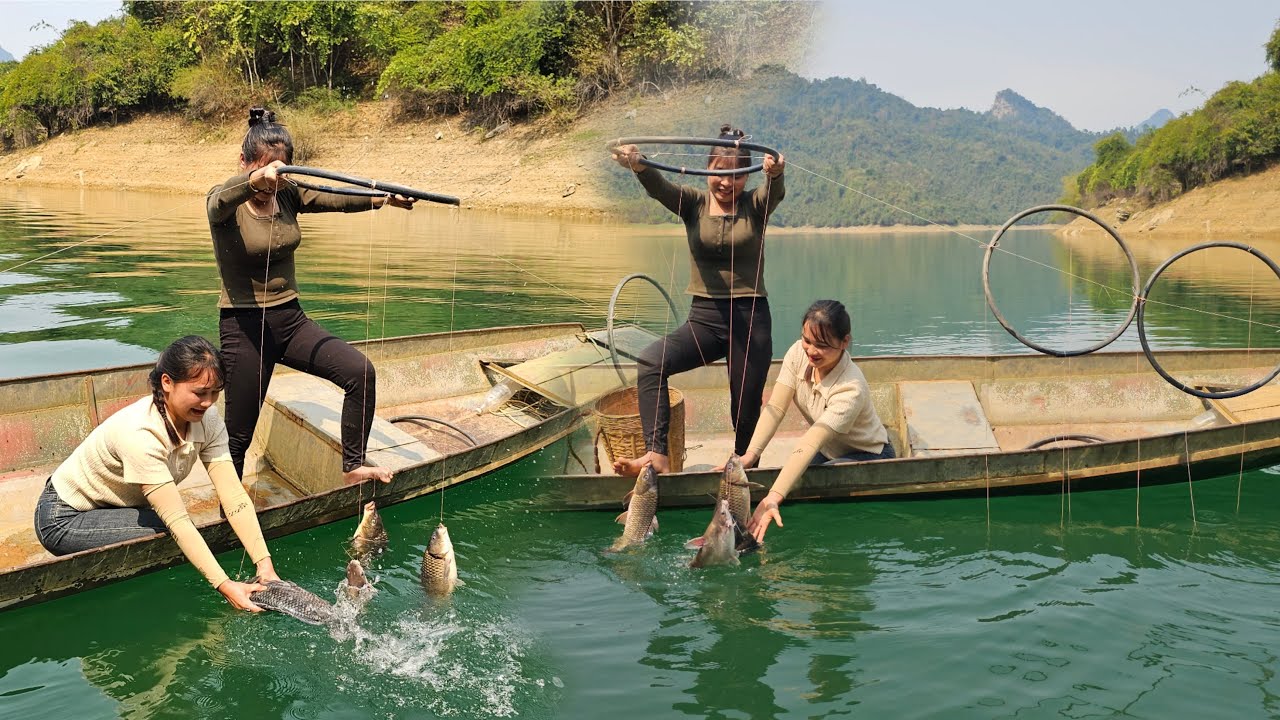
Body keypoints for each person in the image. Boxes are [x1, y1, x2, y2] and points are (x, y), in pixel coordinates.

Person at [208, 107, 415, 485]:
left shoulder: (287, 195)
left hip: (291, 321)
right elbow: (218, 200)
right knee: (237, 437)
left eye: (283, 171)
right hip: (244, 328)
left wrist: (384, 198)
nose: (275, 181)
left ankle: (353, 465)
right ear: (244, 161)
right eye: (268, 170)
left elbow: (333, 197)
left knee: (360, 373)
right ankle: (230, 517)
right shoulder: (227, 204)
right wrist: (254, 181)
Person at [33, 336, 281, 612]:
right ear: (167, 383)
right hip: (65, 517)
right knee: (170, 529)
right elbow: (178, 522)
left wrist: (265, 565)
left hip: (117, 505)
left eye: (215, 393)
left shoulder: (207, 420)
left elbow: (233, 495)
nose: (208, 402)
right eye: (200, 393)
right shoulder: (141, 434)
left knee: (175, 527)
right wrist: (225, 586)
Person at [610, 125, 785, 475]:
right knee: (651, 362)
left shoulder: (755, 204)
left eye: (735, 176)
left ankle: (742, 468)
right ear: (708, 170)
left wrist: (776, 174)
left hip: (751, 321)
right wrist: (639, 164)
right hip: (705, 319)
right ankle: (656, 454)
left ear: (745, 176)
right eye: (719, 174)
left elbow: (774, 191)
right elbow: (660, 188)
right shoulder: (693, 203)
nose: (726, 183)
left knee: (745, 403)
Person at [744, 300, 894, 542]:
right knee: (793, 483)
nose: (811, 351)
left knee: (805, 490)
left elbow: (811, 441)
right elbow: (775, 407)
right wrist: (749, 456)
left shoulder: (850, 388)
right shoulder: (797, 353)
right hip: (828, 451)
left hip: (868, 454)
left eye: (822, 345)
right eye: (807, 340)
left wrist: (773, 496)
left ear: (845, 342)